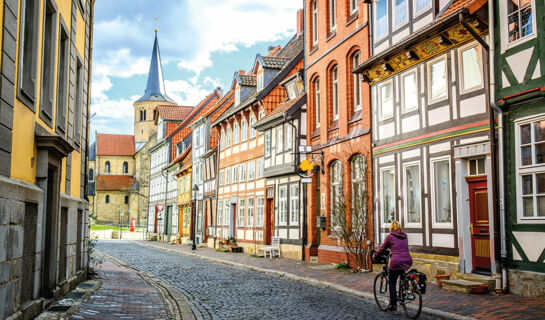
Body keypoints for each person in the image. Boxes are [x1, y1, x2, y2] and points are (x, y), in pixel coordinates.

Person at [373, 221, 412, 311]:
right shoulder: (405, 236)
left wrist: (376, 255)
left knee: (392, 282)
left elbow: (383, 248)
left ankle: (393, 305)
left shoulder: (390, 236)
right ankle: (406, 289)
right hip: (407, 260)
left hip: (396, 261)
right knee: (401, 273)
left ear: (391, 228)